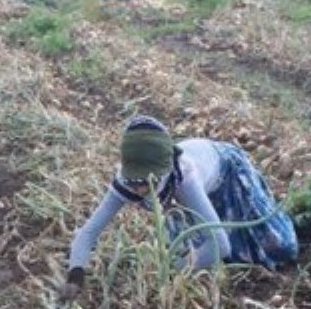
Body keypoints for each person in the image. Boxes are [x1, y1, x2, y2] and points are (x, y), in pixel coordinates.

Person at [62, 116, 298, 297]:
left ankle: (296, 222)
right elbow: (89, 232)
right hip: (183, 199)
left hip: (225, 172)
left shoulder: (183, 177)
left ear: (164, 172)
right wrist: (75, 275)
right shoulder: (126, 181)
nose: (140, 189)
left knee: (276, 245)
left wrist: (169, 272)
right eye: (134, 181)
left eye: (146, 182)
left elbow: (220, 245)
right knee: (191, 248)